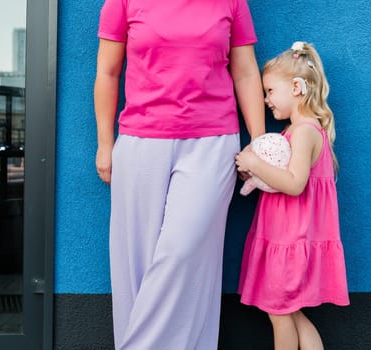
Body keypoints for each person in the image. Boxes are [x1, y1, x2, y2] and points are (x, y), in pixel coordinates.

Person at [93, 0, 265, 349]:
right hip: (140, 141)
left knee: (183, 253)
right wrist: (104, 143)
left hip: (212, 143)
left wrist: (259, 142)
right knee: (136, 265)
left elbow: (246, 72)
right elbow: (108, 73)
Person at [235, 41, 349, 350]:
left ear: (297, 87)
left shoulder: (305, 132)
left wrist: (256, 162)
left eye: (271, 91)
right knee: (291, 312)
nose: (266, 100)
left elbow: (295, 183)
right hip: (284, 237)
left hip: (291, 239)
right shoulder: (293, 132)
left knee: (280, 313)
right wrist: (255, 174)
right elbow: (278, 179)